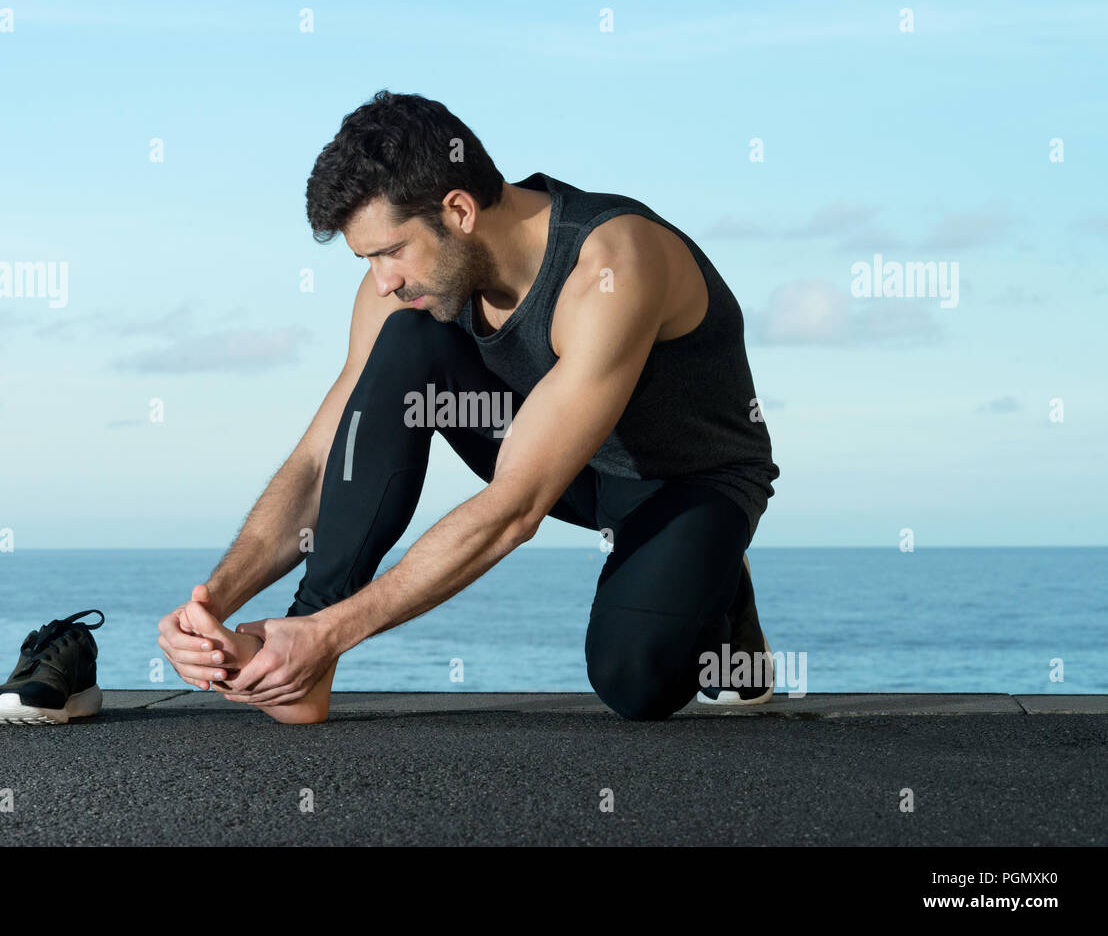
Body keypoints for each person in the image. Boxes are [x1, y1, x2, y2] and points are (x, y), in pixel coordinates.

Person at [156, 90, 780, 724]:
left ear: (458, 210)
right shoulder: (408, 288)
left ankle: (721, 589)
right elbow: (323, 459)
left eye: (391, 250)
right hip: (568, 466)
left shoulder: (611, 266)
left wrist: (334, 633)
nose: (382, 280)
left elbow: (515, 508)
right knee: (407, 337)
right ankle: (303, 651)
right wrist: (211, 606)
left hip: (686, 483)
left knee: (633, 682)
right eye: (366, 258)